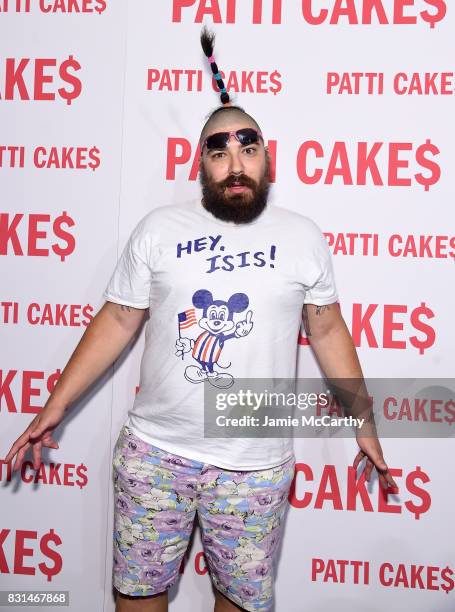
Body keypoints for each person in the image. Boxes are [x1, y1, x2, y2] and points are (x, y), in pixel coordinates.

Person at [2, 34, 398, 612]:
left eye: (248, 147)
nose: (235, 165)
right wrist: (53, 407)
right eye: (218, 151)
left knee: (238, 603)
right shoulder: (159, 229)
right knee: (137, 598)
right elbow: (116, 319)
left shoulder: (302, 236)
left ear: (267, 158)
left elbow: (330, 331)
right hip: (155, 454)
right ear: (201, 164)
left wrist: (363, 419)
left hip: (255, 468)